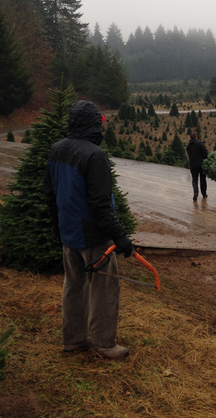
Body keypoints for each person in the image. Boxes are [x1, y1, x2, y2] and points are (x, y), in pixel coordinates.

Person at [44, 100, 133, 359]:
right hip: (93, 236)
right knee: (105, 289)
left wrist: (57, 228)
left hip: (69, 232)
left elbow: (50, 195)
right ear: (93, 124)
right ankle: (104, 343)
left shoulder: (56, 149)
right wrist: (120, 237)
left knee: (74, 286)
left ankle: (73, 341)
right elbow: (100, 204)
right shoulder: (95, 155)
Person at [186, 131, 208, 201]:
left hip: (193, 165)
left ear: (190, 137)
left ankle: (196, 192)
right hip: (201, 164)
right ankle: (204, 194)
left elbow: (189, 155)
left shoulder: (188, 146)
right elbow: (205, 153)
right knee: (203, 179)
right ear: (196, 137)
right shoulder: (200, 143)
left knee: (194, 180)